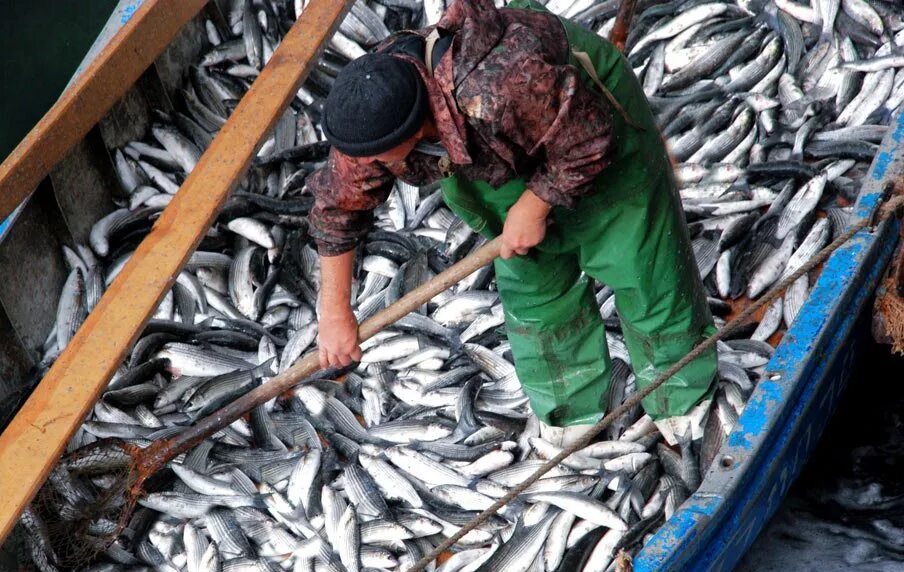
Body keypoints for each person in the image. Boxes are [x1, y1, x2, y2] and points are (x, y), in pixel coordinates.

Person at [306, 0, 717, 449]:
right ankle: (572, 413)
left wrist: (536, 203)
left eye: (381, 158)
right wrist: (335, 313)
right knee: (534, 288)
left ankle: (682, 399)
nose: (369, 165)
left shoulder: (498, 84)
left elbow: (587, 140)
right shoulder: (369, 120)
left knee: (641, 264)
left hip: (580, 120)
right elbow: (338, 207)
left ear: (413, 130)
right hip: (492, 148)